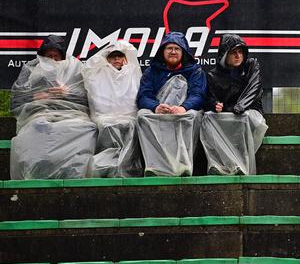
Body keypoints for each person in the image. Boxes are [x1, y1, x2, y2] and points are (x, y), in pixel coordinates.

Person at [10, 35, 96, 179]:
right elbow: (16, 102)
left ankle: (75, 173)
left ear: (62, 55)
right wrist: (34, 97)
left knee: (86, 128)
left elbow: (90, 99)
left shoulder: (76, 68)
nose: (53, 59)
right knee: (38, 128)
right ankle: (35, 172)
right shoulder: (31, 69)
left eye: (56, 55)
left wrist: (67, 93)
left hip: (73, 115)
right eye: (49, 56)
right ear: (42, 56)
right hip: (38, 115)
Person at [136, 31, 207, 176]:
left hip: (183, 112)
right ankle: (154, 166)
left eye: (177, 48)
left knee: (192, 116)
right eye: (169, 48)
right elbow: (143, 96)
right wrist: (155, 107)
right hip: (160, 113)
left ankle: (184, 165)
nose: (173, 52)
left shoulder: (195, 71)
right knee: (142, 115)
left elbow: (199, 95)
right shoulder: (151, 72)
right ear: (163, 51)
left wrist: (183, 107)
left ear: (184, 52)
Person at [201, 34, 268, 175]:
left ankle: (240, 165)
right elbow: (208, 99)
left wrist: (238, 107)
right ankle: (217, 165)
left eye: (240, 52)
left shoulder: (251, 66)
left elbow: (254, 89)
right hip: (227, 115)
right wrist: (215, 105)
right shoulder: (212, 76)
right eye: (233, 52)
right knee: (208, 117)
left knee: (245, 118)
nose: (238, 56)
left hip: (249, 112)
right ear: (224, 55)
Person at [82, 41, 143, 177]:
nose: (116, 59)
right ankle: (106, 169)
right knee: (106, 126)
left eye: (120, 56)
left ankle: (129, 169)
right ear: (106, 59)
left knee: (131, 127)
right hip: (104, 120)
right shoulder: (98, 74)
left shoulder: (132, 73)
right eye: (112, 57)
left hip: (129, 119)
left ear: (125, 59)